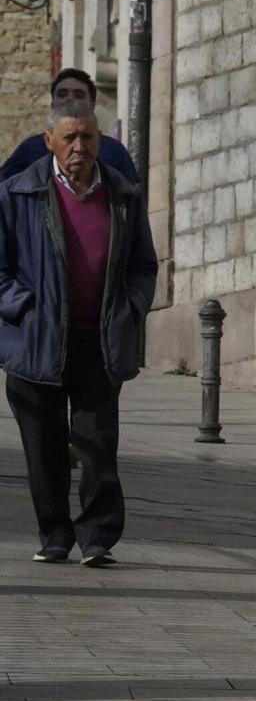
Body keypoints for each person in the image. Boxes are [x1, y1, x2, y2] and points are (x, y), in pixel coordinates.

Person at [0, 99, 158, 565]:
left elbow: (143, 265)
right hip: (36, 341)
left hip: (99, 339)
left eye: (88, 137)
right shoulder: (17, 194)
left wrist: (132, 308)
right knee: (44, 447)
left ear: (100, 142)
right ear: (48, 141)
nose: (79, 147)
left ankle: (96, 538)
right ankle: (54, 536)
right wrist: (23, 308)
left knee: (96, 444)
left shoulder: (123, 196)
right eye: (69, 137)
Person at [0, 70, 141, 191]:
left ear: (92, 104)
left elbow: (131, 197)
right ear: (52, 104)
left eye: (78, 94)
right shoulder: (31, 148)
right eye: (62, 94)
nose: (69, 99)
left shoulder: (114, 151)